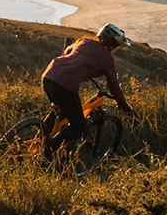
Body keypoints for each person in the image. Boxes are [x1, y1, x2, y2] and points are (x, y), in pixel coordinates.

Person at [40, 23, 136, 159]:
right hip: (65, 85)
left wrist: (79, 70)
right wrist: (124, 106)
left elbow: (69, 52)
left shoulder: (84, 42)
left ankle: (39, 140)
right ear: (112, 45)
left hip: (49, 75)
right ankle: (47, 151)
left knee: (60, 110)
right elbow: (114, 86)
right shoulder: (107, 58)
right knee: (78, 126)